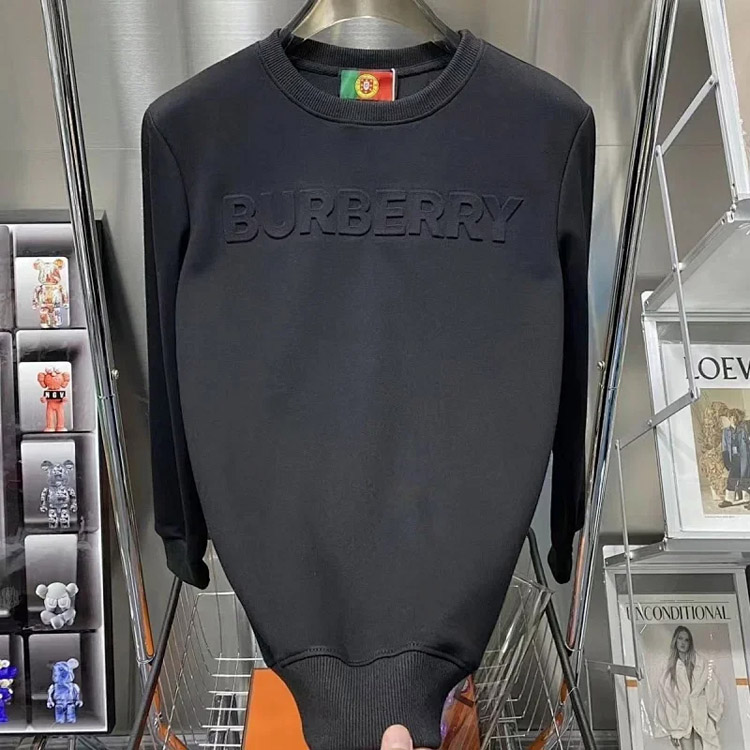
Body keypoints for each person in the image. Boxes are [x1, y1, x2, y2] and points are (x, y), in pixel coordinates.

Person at [654, 626, 724, 750]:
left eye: (686, 640)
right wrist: (672, 728)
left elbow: (713, 688)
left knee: (712, 747)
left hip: (701, 714)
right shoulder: (669, 668)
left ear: (690, 643)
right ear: (675, 640)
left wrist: (713, 716)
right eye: (680, 638)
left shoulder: (700, 663)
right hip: (681, 719)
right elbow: (666, 698)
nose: (683, 643)